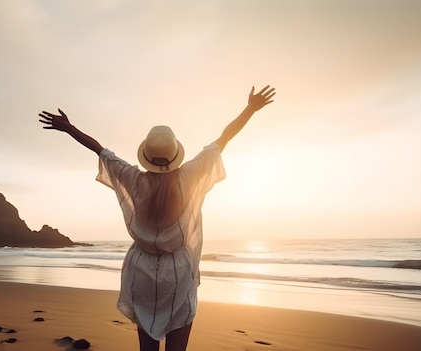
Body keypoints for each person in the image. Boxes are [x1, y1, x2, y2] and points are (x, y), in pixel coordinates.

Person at [38, 85, 276, 351]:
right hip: (179, 274)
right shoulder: (190, 174)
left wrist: (69, 128)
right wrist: (250, 109)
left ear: (147, 156)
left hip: (141, 272)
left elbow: (100, 150)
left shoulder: (133, 178)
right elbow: (224, 139)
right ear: (175, 154)